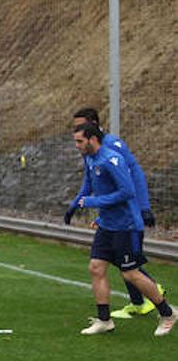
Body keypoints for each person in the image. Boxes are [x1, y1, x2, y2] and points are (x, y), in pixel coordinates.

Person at [71, 122, 173, 336]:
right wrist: (99, 216)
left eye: (80, 141)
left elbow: (127, 192)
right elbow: (99, 188)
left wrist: (94, 202)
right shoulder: (90, 159)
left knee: (131, 274)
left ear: (92, 139)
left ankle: (167, 313)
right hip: (107, 225)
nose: (77, 145)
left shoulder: (111, 159)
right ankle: (104, 320)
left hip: (126, 226)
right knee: (96, 267)